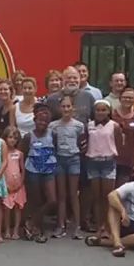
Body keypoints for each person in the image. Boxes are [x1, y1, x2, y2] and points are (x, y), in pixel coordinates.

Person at [50, 95, 86, 239]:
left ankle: (77, 226)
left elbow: (81, 143)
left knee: (73, 194)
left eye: (68, 106)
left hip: (74, 160)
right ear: (60, 108)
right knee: (61, 195)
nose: (66, 109)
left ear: (73, 108)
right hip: (59, 159)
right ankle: (61, 225)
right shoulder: (53, 126)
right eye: (63, 106)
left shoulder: (79, 126)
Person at [21, 103, 57, 242]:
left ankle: (31, 222)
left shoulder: (53, 134)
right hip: (32, 170)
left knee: (52, 200)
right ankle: (37, 229)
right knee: (36, 201)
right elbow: (22, 155)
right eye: (40, 120)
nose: (42, 123)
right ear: (35, 120)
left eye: (45, 121)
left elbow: (56, 150)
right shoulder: (28, 137)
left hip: (49, 170)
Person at [87, 100, 123, 236]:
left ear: (109, 111)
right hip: (93, 162)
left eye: (103, 110)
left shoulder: (115, 126)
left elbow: (119, 144)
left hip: (108, 162)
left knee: (107, 197)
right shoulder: (89, 125)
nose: (100, 113)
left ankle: (108, 226)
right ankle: (99, 225)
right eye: (98, 110)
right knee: (97, 197)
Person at [112, 87, 134, 184]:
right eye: (125, 97)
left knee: (122, 191)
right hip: (111, 160)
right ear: (120, 98)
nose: (127, 100)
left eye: (130, 98)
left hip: (128, 162)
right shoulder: (111, 115)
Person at [2, 128, 26, 240]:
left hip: (18, 186)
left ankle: (16, 230)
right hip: (6, 185)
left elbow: (22, 169)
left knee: (17, 208)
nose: (12, 140)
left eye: (15, 138)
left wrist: (21, 183)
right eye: (10, 137)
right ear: (5, 138)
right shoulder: (3, 153)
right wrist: (3, 184)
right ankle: (7, 229)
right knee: (6, 209)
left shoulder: (19, 154)